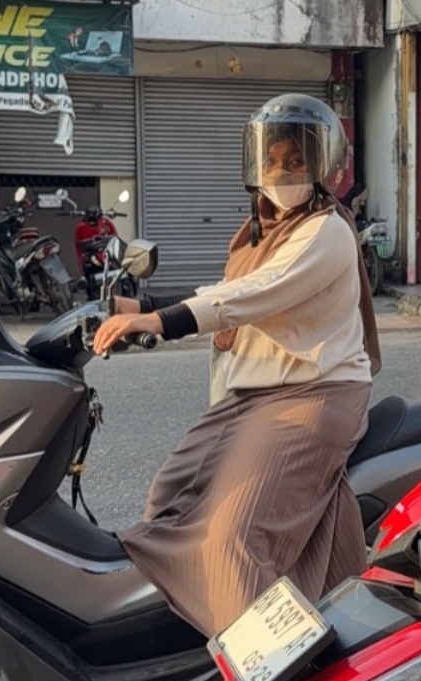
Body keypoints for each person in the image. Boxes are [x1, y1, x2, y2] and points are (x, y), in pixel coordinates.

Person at [92, 94, 382, 637]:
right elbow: (229, 290)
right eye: (273, 160)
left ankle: (276, 671)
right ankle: (207, 635)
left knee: (231, 540)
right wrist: (144, 307)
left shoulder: (327, 232)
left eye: (296, 160)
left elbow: (258, 293)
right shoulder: (257, 231)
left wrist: (162, 323)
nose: (283, 171)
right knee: (169, 497)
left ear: (324, 167)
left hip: (314, 394)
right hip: (251, 397)